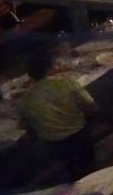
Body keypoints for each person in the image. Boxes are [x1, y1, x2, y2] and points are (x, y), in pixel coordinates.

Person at [16, 47, 100, 177]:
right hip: (79, 135)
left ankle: (74, 175)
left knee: (71, 166)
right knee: (89, 162)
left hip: (53, 144)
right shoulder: (66, 82)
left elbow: (25, 127)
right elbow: (92, 107)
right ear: (49, 67)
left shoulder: (24, 99)